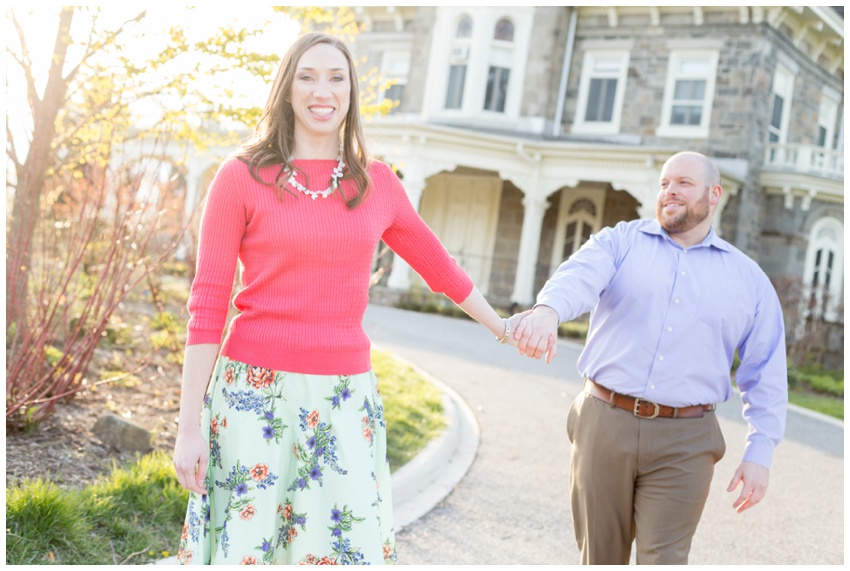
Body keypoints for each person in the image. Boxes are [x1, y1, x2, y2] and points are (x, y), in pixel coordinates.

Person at [172, 32, 523, 565]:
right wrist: (187, 428)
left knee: (343, 551)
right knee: (246, 551)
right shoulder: (240, 177)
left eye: (336, 77)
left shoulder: (377, 183)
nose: (322, 90)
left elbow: (439, 267)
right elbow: (208, 303)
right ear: (287, 87)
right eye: (308, 76)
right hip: (250, 399)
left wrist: (502, 327)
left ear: (352, 91)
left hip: (343, 402)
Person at [512, 151, 787, 565]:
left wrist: (759, 452)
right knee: (600, 558)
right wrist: (548, 311)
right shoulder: (619, 241)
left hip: (687, 440)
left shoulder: (748, 280)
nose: (670, 191)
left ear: (714, 195)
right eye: (663, 183)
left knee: (665, 560)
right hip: (604, 421)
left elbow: (765, 371)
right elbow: (577, 278)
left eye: (683, 183)